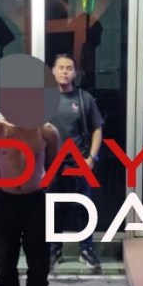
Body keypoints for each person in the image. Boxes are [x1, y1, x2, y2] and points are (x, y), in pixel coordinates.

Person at [0, 117, 60, 286]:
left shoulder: (47, 131)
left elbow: (54, 167)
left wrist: (36, 185)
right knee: (4, 264)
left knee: (39, 264)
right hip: (6, 202)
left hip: (35, 202)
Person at [48, 53, 104, 271]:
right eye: (61, 68)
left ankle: (86, 249)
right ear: (53, 71)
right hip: (52, 164)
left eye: (69, 68)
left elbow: (97, 128)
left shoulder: (84, 98)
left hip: (79, 162)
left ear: (75, 73)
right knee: (53, 207)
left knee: (84, 206)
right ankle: (54, 249)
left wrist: (92, 158)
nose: (65, 72)